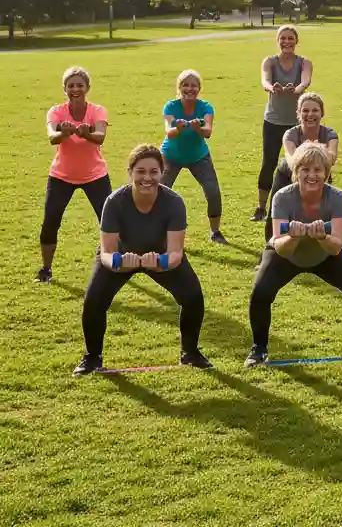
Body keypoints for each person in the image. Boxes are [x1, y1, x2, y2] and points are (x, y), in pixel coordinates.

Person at [73, 144, 211, 375]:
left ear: (162, 172)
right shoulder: (115, 202)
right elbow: (106, 252)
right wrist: (118, 262)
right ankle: (92, 358)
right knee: (94, 301)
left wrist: (161, 262)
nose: (147, 178)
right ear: (130, 173)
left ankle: (191, 353)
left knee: (193, 297)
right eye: (140, 172)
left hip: (161, 256)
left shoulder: (174, 202)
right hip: (120, 256)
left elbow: (176, 253)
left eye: (153, 172)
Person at [246, 142, 342, 366]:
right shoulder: (282, 197)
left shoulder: (337, 197)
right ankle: (259, 349)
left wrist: (321, 237)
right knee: (260, 292)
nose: (312, 175)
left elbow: (336, 246)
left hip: (324, 252)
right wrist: (294, 236)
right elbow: (280, 246)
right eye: (305, 169)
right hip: (287, 252)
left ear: (326, 173)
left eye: (317, 170)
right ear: (296, 172)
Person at [37, 66, 112, 284]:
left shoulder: (97, 110)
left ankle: (110, 263)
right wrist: (64, 131)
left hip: (95, 175)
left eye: (80, 85)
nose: (75, 89)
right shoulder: (56, 111)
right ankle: (46, 270)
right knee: (50, 222)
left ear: (87, 87)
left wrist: (86, 133)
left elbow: (100, 136)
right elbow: (52, 137)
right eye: (71, 85)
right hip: (61, 176)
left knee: (108, 220)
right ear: (65, 89)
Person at [251, 25, 313, 222]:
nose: (287, 42)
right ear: (278, 41)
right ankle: (261, 208)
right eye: (283, 38)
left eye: (290, 38)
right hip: (273, 121)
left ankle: (309, 205)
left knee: (305, 163)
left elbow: (305, 82)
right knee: (268, 163)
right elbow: (265, 81)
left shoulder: (304, 62)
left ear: (296, 41)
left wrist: (296, 89)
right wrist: (273, 88)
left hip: (298, 123)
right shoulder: (269, 61)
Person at [264, 91, 339, 243]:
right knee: (276, 211)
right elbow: (292, 161)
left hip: (320, 176)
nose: (310, 114)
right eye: (305, 110)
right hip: (288, 175)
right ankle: (271, 246)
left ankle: (328, 247)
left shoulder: (330, 134)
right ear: (298, 113)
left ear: (322, 113)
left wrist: (310, 157)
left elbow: (331, 158)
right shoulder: (290, 134)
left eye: (315, 110)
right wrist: (316, 155)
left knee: (326, 212)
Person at [161, 69, 225, 244]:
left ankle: (215, 232)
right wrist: (179, 128)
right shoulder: (170, 107)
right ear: (179, 87)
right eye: (185, 85)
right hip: (171, 156)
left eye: (193, 85)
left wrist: (198, 129)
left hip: (198, 156)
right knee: (160, 191)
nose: (189, 89)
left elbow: (208, 132)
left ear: (199, 88)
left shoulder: (205, 107)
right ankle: (161, 232)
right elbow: (169, 132)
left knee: (212, 191)